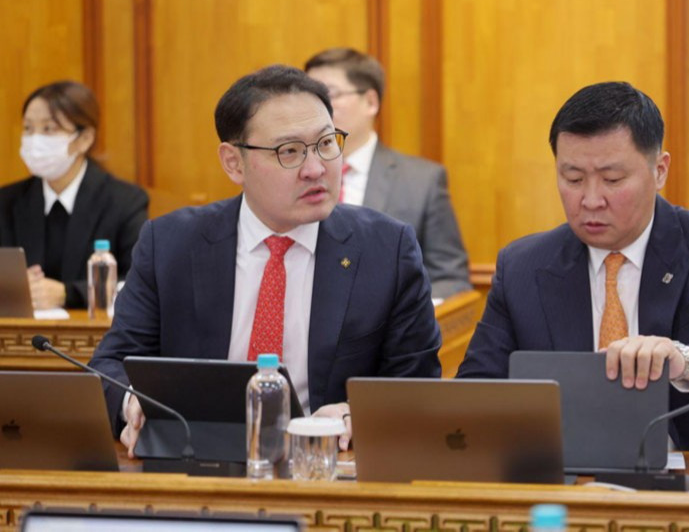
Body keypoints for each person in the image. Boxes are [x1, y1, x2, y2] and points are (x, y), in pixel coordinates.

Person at [89, 65, 441, 455]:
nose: (315, 169)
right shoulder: (171, 243)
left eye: (326, 144)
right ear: (233, 162)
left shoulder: (386, 249)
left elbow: (418, 387)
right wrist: (132, 402)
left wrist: (357, 412)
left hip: (325, 466)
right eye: (289, 151)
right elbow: (111, 364)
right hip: (197, 462)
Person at [457, 81, 689, 450]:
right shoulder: (522, 266)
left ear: (659, 170)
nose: (591, 200)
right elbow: (474, 389)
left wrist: (682, 359)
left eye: (612, 180)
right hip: (562, 470)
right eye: (573, 179)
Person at [304, 47, 471, 300]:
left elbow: (451, 279)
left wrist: (396, 311)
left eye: (329, 94)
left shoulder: (421, 181)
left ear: (371, 102)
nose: (317, 107)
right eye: (310, 97)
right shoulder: (291, 174)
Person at [0, 81, 148, 310]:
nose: (35, 140)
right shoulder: (7, 201)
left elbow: (138, 281)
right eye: (28, 128)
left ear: (85, 139)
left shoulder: (125, 202)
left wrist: (66, 294)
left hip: (93, 329)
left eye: (49, 129)